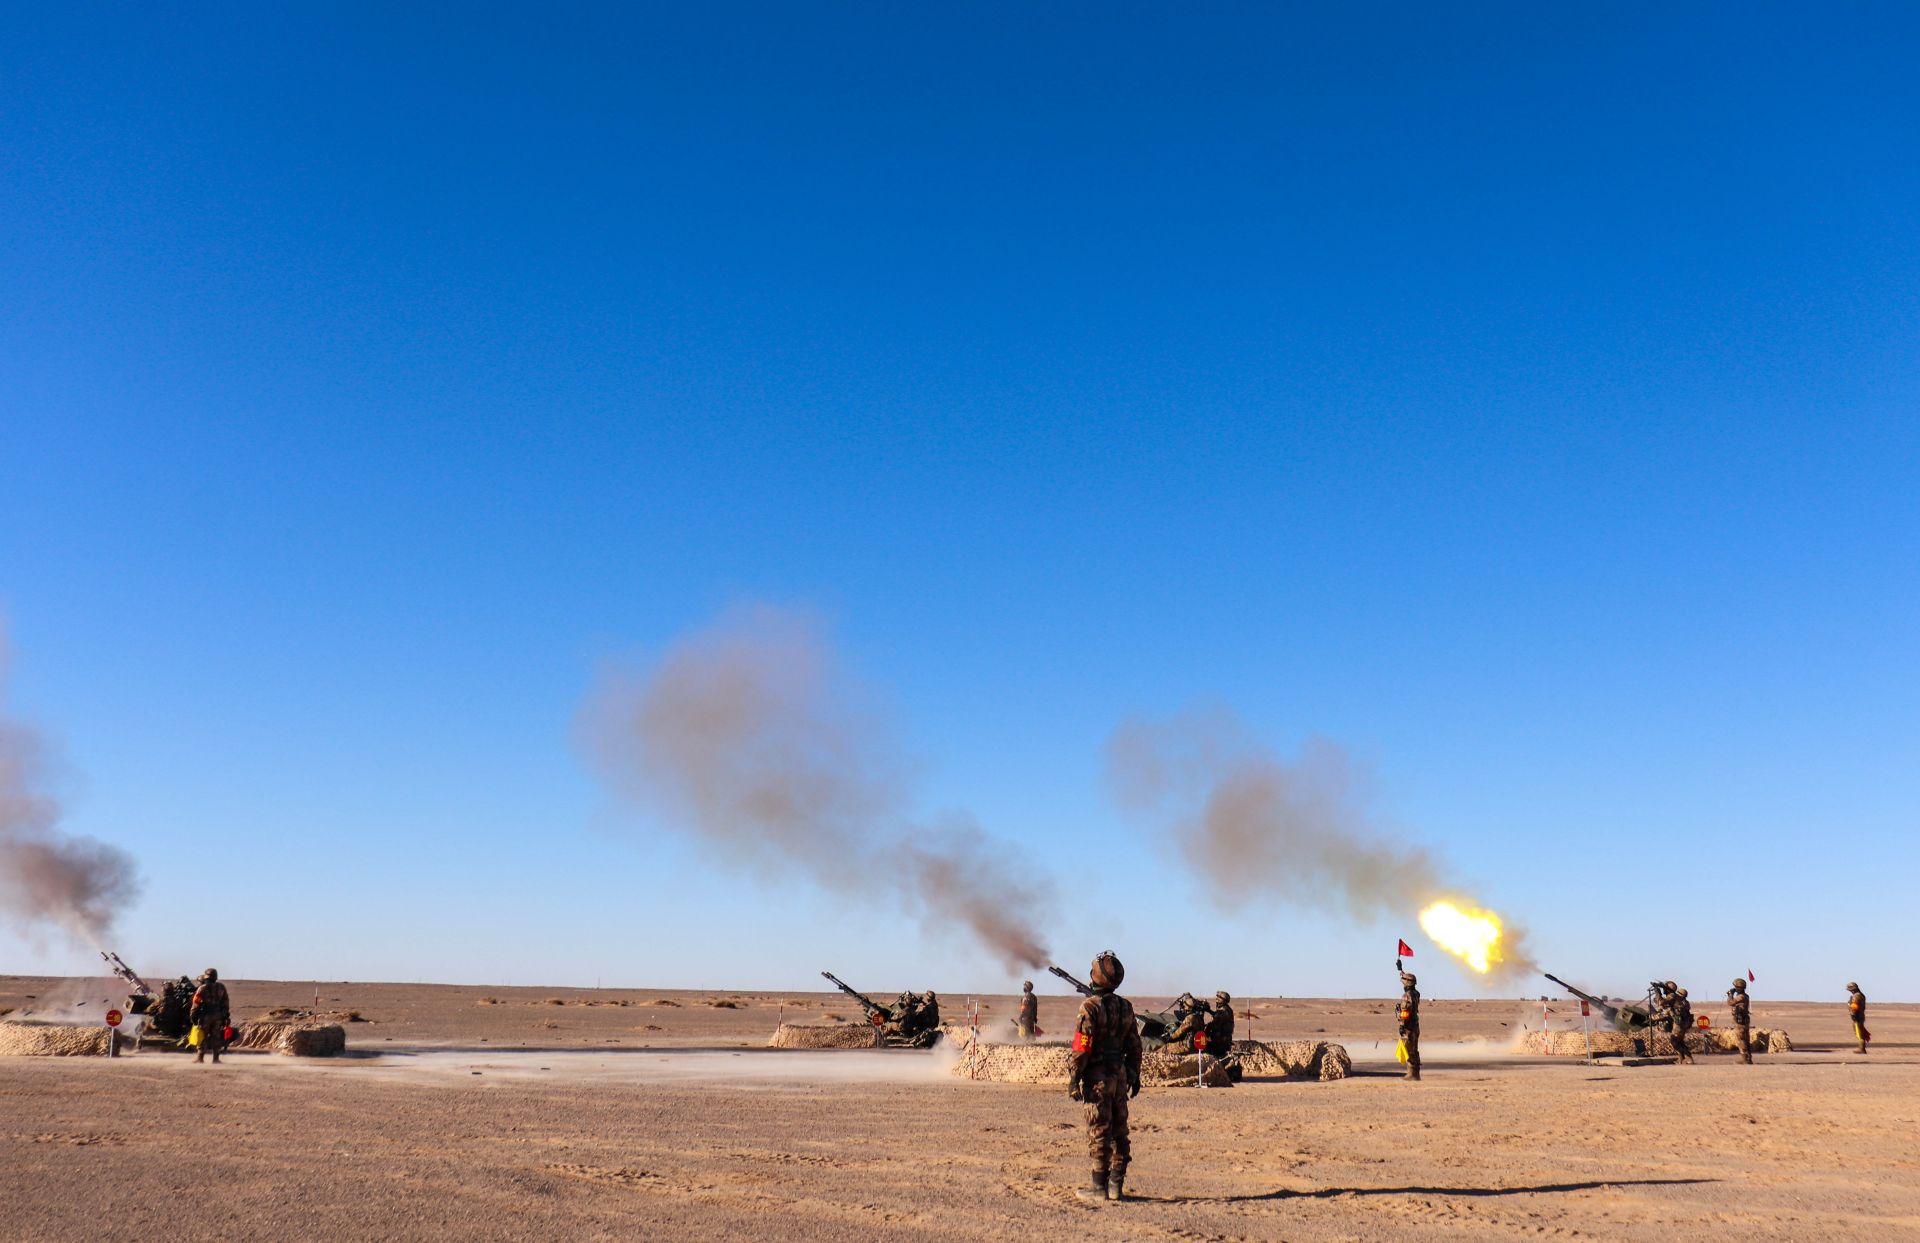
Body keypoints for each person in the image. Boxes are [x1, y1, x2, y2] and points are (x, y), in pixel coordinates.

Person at [1066, 951, 1142, 1204]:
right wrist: (1134, 1073)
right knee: (1120, 1132)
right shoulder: (1125, 1006)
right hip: (1119, 1076)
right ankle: (1116, 1186)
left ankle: (1099, 1187)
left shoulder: (1090, 1007)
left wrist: (1074, 1077)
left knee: (1099, 1131)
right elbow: (1135, 1045)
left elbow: (1082, 1046)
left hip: (1097, 1078)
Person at [190, 968, 230, 1065]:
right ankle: (216, 1059)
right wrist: (224, 1015)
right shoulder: (221, 987)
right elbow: (226, 1003)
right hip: (218, 1016)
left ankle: (200, 1058)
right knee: (216, 1037)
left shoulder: (202, 988)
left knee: (202, 1036)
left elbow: (196, 1004)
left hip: (205, 1016)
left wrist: (193, 1016)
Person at [1398, 970, 1421, 1081]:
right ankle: (1415, 1074)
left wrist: (1402, 1025)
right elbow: (1408, 979)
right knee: (1414, 1049)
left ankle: (1412, 1074)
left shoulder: (1407, 996)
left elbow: (1405, 1012)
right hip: (1415, 1025)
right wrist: (1401, 970)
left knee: (1408, 1048)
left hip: (1409, 1026)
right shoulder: (1416, 993)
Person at [1727, 977, 1752, 1065]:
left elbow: (1730, 1003)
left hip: (1740, 1021)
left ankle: (1745, 1059)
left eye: (1736, 987)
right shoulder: (1745, 996)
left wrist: (1730, 994)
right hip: (1743, 1020)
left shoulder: (1741, 997)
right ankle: (1748, 1059)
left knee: (1741, 1040)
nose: (1735, 988)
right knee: (1745, 1039)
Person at [1669, 987, 1694, 1064]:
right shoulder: (1685, 1002)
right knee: (1680, 1042)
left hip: (1679, 1026)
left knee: (1674, 1041)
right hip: (1683, 1025)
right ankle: (1682, 1059)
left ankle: (1688, 1058)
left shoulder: (1679, 1003)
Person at [1847, 982, 1869, 1055]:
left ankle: (1861, 1049)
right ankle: (1861, 1048)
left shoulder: (1856, 996)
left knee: (1859, 1033)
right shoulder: (1861, 995)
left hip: (1857, 1017)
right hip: (1860, 1016)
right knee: (1859, 1032)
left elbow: (1854, 1007)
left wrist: (1853, 1015)